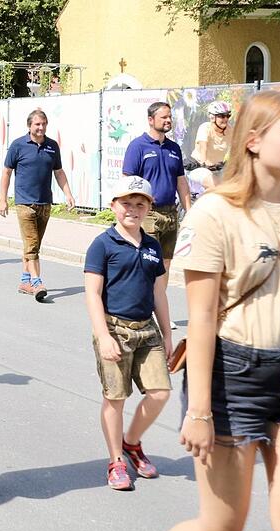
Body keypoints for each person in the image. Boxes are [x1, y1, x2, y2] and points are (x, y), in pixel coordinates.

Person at [166, 91, 280, 531]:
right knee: (221, 527)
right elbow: (201, 318)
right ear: (254, 140)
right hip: (232, 380)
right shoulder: (214, 213)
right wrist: (199, 411)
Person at [84, 176, 172, 491]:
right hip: (114, 329)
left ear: (149, 208)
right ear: (113, 206)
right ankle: (116, 460)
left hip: (147, 330)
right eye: (126, 203)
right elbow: (93, 294)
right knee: (115, 398)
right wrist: (103, 336)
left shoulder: (152, 245)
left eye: (140, 204)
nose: (133, 209)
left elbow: (159, 292)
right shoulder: (102, 244)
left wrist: (167, 334)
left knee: (160, 392)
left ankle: (132, 442)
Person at [123, 102, 191, 331]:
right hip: (148, 214)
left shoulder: (174, 148)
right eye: (163, 117)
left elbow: (181, 181)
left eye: (170, 117)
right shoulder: (138, 146)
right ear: (151, 120)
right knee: (147, 261)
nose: (168, 120)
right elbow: (128, 181)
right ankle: (140, 309)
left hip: (170, 213)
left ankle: (157, 309)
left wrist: (189, 211)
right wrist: (133, 211)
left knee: (165, 264)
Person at [0, 110, 76, 302]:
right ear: (29, 126)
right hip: (25, 203)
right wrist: (3, 199)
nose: (41, 128)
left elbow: (59, 172)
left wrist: (68, 194)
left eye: (44, 124)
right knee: (32, 245)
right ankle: (36, 282)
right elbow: (7, 172)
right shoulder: (18, 145)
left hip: (45, 203)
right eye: (37, 124)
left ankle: (25, 281)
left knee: (33, 245)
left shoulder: (52, 146)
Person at [187, 101, 232, 195]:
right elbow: (203, 147)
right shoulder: (205, 128)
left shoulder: (229, 130)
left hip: (216, 170)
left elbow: (235, 148)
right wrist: (204, 163)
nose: (225, 119)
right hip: (198, 167)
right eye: (222, 116)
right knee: (215, 186)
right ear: (212, 117)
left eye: (228, 115)